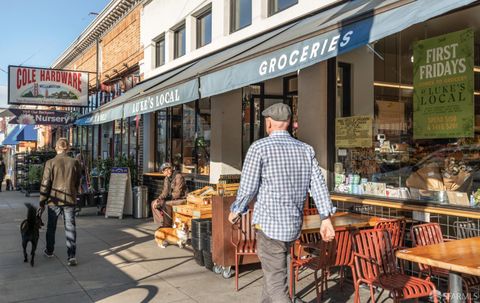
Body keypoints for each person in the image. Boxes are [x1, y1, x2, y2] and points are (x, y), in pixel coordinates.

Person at [228, 103, 336, 303]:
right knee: (275, 277)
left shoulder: (259, 148)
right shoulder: (305, 150)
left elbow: (248, 186)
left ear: (268, 123)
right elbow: (318, 186)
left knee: (277, 286)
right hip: (293, 226)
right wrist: (325, 218)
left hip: (270, 226)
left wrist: (236, 209)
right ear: (288, 123)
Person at [38, 138, 82, 266]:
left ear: (56, 148)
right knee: (70, 227)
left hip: (54, 199)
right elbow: (78, 180)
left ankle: (50, 250)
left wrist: (42, 200)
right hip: (70, 198)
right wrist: (74, 191)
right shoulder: (74, 162)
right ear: (67, 148)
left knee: (51, 227)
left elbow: (45, 184)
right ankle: (71, 256)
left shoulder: (50, 163)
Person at [151, 162, 187, 227]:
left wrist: (166, 199)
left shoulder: (178, 176)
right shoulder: (166, 178)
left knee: (166, 203)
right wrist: (158, 199)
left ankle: (167, 225)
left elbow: (177, 193)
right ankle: (162, 223)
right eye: (165, 170)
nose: (168, 171)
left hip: (181, 199)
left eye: (169, 169)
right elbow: (165, 192)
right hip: (172, 198)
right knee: (154, 203)